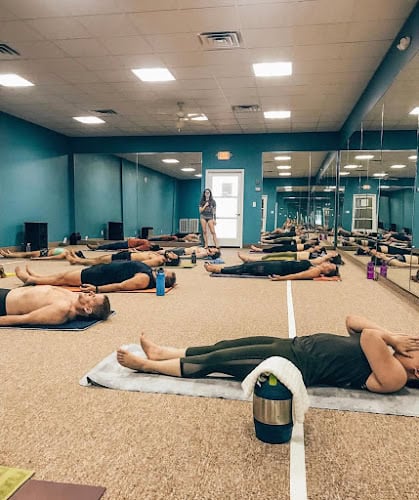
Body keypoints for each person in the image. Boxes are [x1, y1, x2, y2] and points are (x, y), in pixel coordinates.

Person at [116, 315, 419, 393]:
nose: (414, 345)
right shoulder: (390, 350)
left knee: (215, 362)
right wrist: (393, 338)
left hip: (292, 364)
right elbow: (352, 320)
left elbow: (368, 336)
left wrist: (392, 338)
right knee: (223, 346)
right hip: (293, 344)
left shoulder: (396, 377)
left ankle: (147, 366)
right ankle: (161, 352)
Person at [15, 261, 176, 293]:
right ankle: (38, 277)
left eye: (163, 273)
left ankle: (32, 280)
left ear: (162, 280)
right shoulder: (148, 271)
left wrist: (97, 289)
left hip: (98, 277)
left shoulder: (144, 279)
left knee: (62, 279)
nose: (160, 270)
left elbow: (120, 286)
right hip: (101, 270)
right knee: (63, 276)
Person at [0, 285, 111, 326]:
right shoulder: (74, 297)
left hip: (3, 303)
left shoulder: (62, 310)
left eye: (93, 297)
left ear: (87, 309)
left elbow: (24, 319)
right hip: (8, 292)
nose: (91, 293)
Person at [203, 259, 339, 280]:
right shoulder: (315, 265)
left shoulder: (315, 271)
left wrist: (281, 278)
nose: (328, 263)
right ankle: (219, 268)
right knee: (249, 265)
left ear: (327, 271)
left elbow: (299, 275)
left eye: (330, 266)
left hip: (278, 269)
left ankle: (218, 269)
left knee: (246, 268)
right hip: (278, 264)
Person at [65, 249, 179, 267]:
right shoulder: (159, 255)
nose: (172, 253)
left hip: (126, 259)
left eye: (173, 255)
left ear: (170, 260)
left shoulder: (159, 260)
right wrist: (136, 251)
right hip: (128, 255)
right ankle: (77, 260)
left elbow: (144, 263)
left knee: (98, 261)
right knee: (100, 258)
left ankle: (75, 261)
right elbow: (144, 254)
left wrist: (125, 264)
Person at [237, 250, 343, 266]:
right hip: (293, 255)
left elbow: (313, 262)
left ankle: (248, 260)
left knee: (270, 259)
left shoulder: (323, 259)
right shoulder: (324, 256)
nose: (332, 252)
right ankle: (249, 259)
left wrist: (329, 255)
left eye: (334, 254)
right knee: (270, 256)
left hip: (293, 259)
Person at [87, 238, 161, 252]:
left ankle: (96, 247)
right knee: (111, 245)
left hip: (126, 245)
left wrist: (123, 250)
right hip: (127, 242)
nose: (153, 243)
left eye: (154, 244)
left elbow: (136, 249)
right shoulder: (147, 243)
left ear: (152, 246)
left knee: (111, 246)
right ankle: (99, 246)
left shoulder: (146, 246)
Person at [0, 247, 71, 260]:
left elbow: (52, 257)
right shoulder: (67, 251)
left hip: (44, 254)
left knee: (26, 254)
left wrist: (38, 259)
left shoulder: (65, 254)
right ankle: (11, 254)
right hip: (46, 251)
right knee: (26, 254)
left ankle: (7, 255)